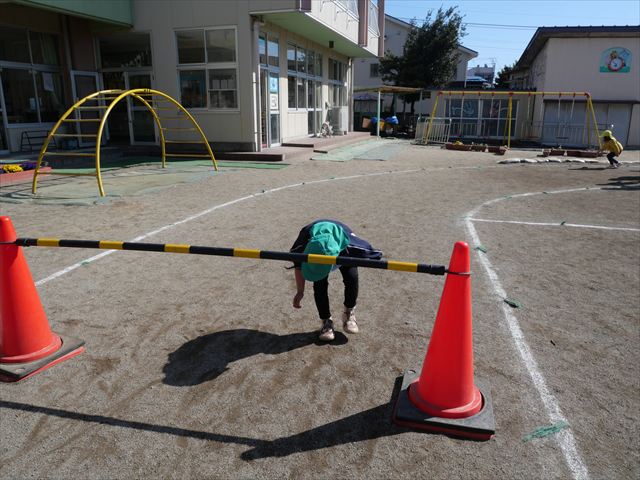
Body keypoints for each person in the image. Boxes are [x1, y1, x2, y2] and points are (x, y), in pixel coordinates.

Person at [290, 220, 382, 341]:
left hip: (341, 246)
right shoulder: (300, 248)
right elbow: (298, 266)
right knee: (319, 282)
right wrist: (300, 291)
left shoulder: (351, 246)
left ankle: (349, 312)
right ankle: (326, 321)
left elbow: (376, 254)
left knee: (351, 276)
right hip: (314, 242)